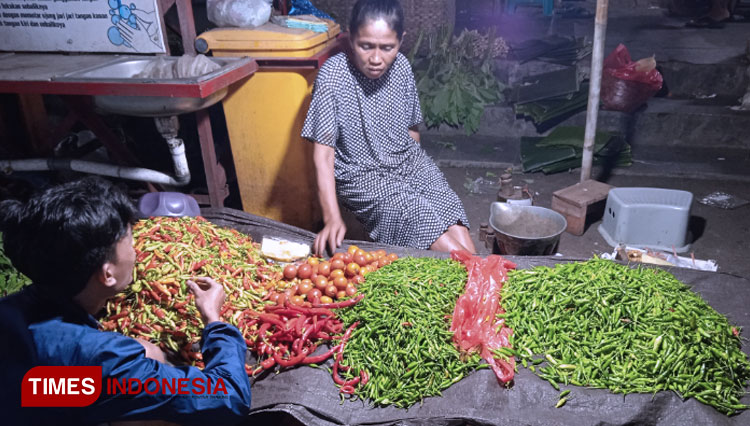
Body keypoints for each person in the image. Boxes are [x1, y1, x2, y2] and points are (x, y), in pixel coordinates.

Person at [0, 177, 251, 426]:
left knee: (147, 353)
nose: (137, 250)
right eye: (131, 241)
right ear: (107, 274)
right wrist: (214, 321)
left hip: (29, 391)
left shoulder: (17, 308)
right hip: (37, 397)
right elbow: (228, 397)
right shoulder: (101, 359)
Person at [302, 0, 476, 256]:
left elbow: (412, 129)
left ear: (401, 40)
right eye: (366, 46)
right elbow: (323, 154)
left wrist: (417, 177)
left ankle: (479, 273)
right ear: (350, 38)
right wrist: (331, 218)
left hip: (406, 161)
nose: (376, 58)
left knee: (447, 207)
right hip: (361, 175)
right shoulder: (334, 75)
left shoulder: (402, 67)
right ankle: (480, 274)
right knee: (418, 215)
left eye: (387, 48)